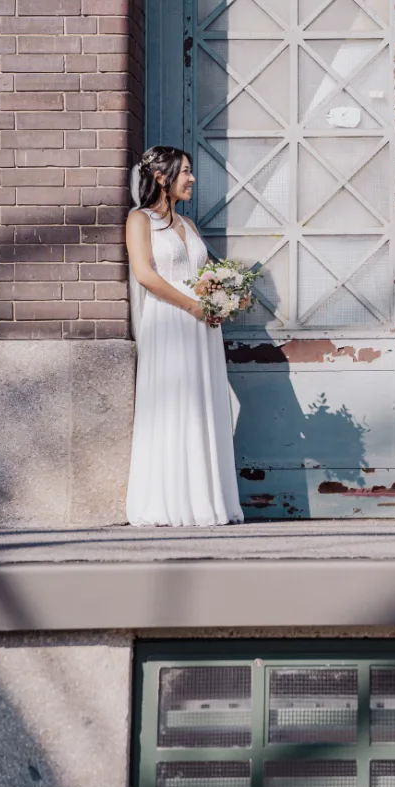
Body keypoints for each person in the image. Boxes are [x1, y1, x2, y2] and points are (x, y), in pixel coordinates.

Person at [125, 145, 243, 527]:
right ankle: (168, 502)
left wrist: (224, 295)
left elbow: (203, 273)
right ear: (162, 177)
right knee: (174, 405)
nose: (192, 179)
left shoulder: (189, 226)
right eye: (186, 171)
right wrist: (192, 306)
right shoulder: (139, 220)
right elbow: (145, 274)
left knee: (202, 406)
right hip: (170, 320)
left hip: (201, 326)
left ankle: (206, 501)